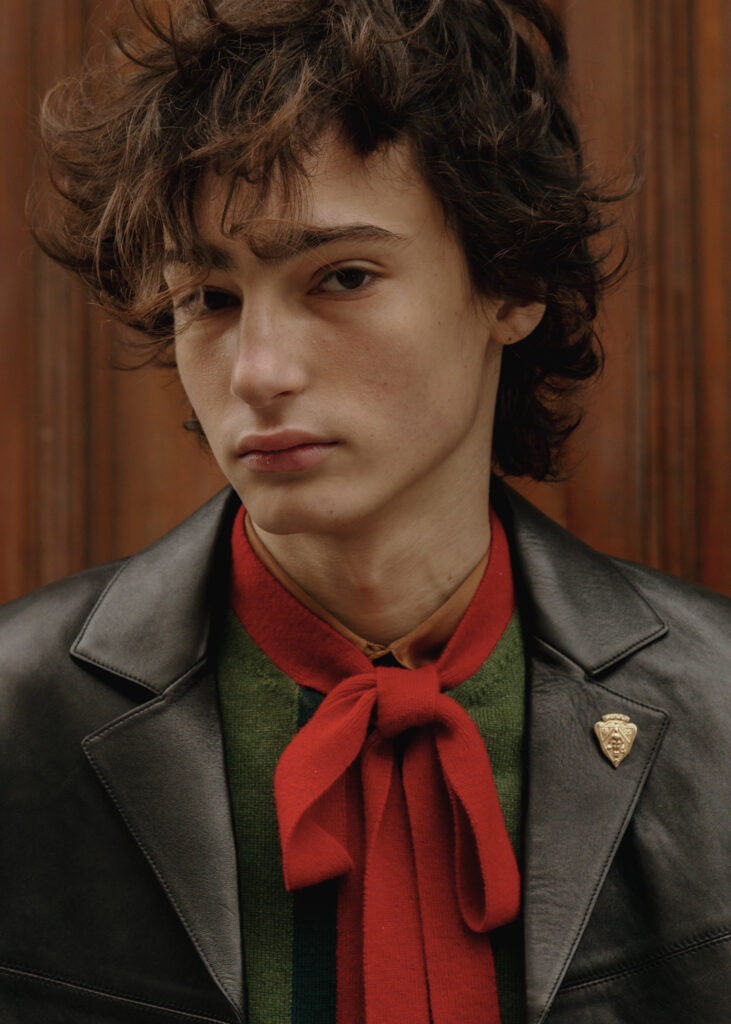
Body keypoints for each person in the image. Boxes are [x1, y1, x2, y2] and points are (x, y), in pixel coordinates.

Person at [2, 1, 729, 1022]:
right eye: (208, 298)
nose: (257, 372)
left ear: (511, 283)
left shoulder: (717, 705)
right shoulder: (18, 714)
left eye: (341, 277)